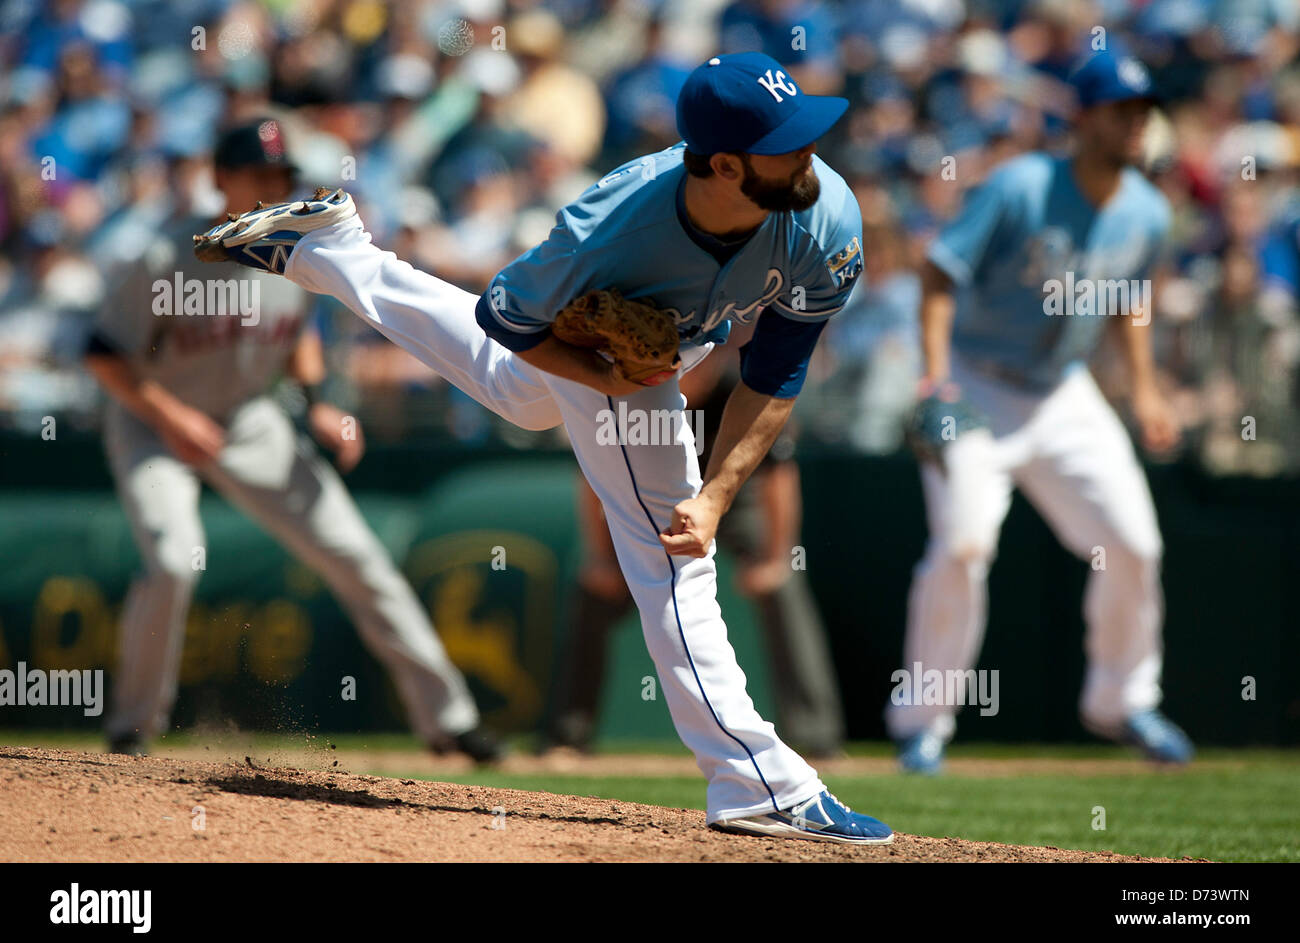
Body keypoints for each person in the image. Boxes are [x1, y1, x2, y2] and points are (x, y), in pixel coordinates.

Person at [195, 54, 894, 845]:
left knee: (516, 397)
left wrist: (719, 495)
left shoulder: (825, 211)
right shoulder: (610, 226)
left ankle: (330, 250)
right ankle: (758, 779)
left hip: (673, 347)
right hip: (612, 364)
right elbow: (505, 319)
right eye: (786, 144)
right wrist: (604, 375)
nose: (810, 155)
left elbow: (777, 372)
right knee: (669, 558)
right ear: (725, 163)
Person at [84, 118, 502, 764]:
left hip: (251, 419)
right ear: (219, 178)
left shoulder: (293, 250)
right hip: (153, 421)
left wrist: (319, 403)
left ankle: (451, 720)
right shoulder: (163, 256)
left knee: (358, 555)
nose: (272, 185)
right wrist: (173, 419)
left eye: (281, 176)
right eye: (258, 174)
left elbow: (298, 336)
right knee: (173, 559)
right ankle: (133, 727)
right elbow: (105, 356)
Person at [887, 52, 1195, 773]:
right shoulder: (1022, 186)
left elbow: (1131, 299)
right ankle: (922, 721)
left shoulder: (1147, 210)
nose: (1135, 125)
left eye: (1142, 113)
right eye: (1121, 111)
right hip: (976, 380)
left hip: (1062, 389)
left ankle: (1123, 701)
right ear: (1081, 118)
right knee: (963, 544)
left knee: (1135, 543)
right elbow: (938, 271)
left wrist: (1145, 390)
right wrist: (934, 377)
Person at [543, 349, 846, 758]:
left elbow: (779, 476)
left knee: (784, 586)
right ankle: (567, 736)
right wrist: (601, 558)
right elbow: (593, 481)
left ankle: (816, 738)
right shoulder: (628, 392)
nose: (698, 368)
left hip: (733, 502)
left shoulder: (738, 392)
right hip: (652, 504)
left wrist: (777, 559)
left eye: (707, 357)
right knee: (593, 588)